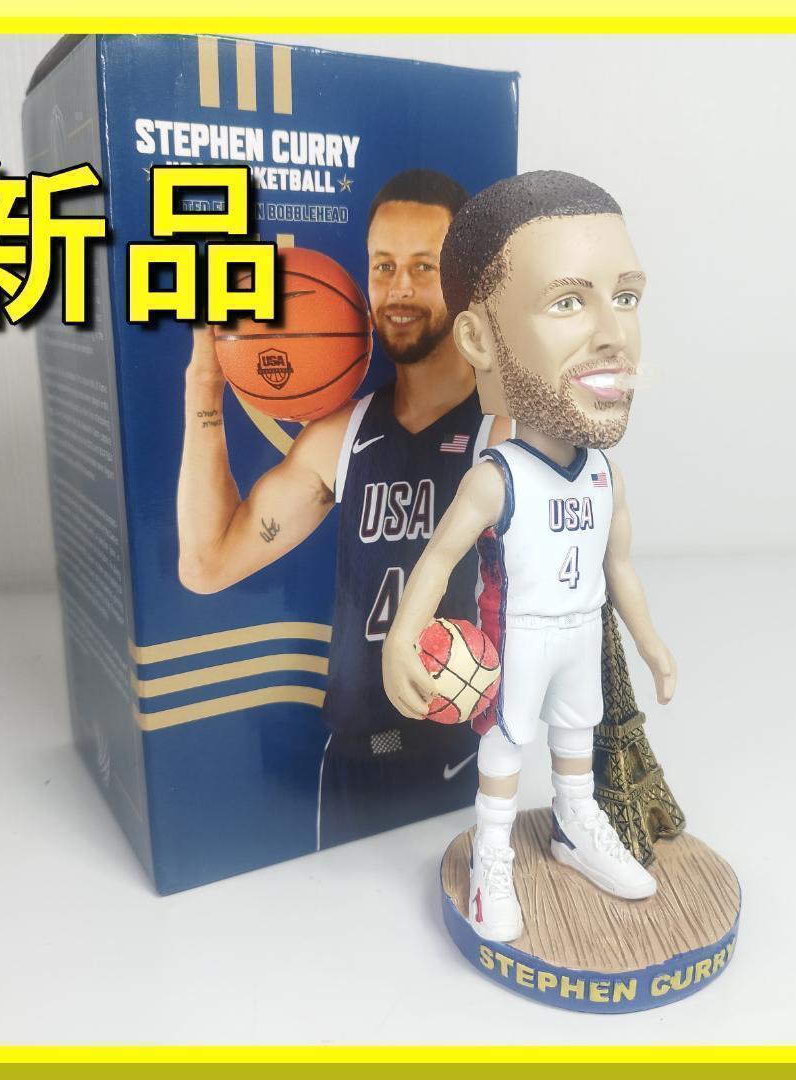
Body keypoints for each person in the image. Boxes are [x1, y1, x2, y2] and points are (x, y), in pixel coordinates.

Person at [381, 171, 677, 941]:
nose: (615, 334)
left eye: (627, 296)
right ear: (479, 340)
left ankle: (577, 828)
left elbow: (619, 569)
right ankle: (492, 858)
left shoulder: (605, 475)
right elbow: (438, 559)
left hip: (580, 632)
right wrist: (401, 638)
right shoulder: (498, 477)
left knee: (574, 745)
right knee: (506, 753)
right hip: (520, 637)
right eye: (569, 302)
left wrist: (651, 644)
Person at [177, 169, 510, 849]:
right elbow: (206, 565)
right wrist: (204, 387)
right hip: (354, 761)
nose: (400, 288)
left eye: (424, 266)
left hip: (465, 757)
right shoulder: (343, 436)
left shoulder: (504, 434)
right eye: (384, 266)